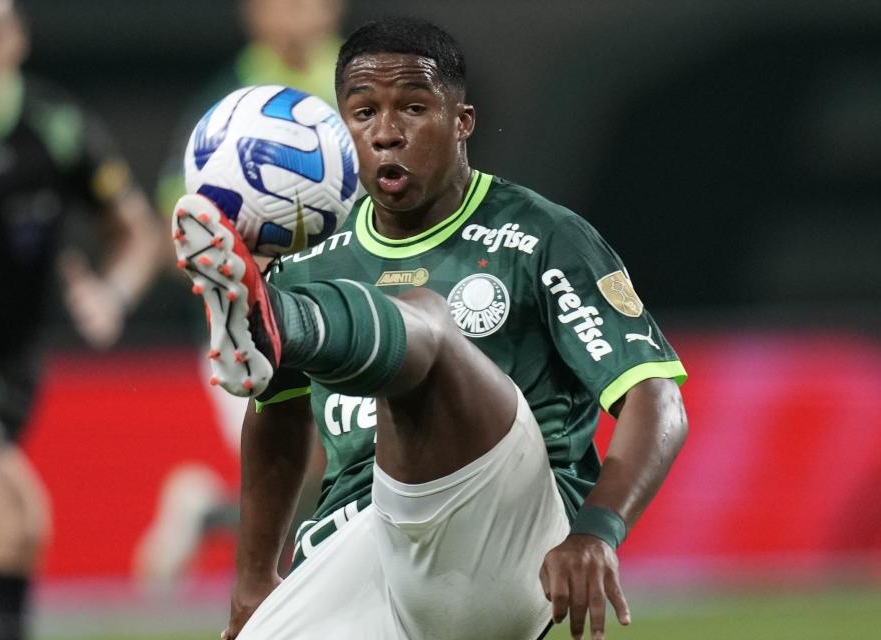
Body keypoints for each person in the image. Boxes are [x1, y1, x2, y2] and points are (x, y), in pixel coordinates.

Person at [173, 16, 688, 640]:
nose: (386, 134)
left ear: (462, 122)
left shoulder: (543, 236)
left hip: (503, 543)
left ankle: (273, 321)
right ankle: (270, 326)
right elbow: (277, 412)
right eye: (363, 115)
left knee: (427, 330)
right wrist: (254, 579)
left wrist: (596, 532)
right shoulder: (316, 258)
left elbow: (655, 397)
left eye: (413, 109)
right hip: (354, 545)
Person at [0, 1, 161, 639]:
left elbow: (136, 234)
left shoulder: (54, 129)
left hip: (7, 379)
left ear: (17, 40)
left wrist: (112, 295)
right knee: (14, 524)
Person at [135, 0, 345, 583]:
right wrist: (230, 271)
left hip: (348, 303)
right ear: (252, 13)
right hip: (252, 317)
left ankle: (212, 516)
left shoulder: (361, 80)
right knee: (318, 462)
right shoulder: (225, 100)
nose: (295, 13)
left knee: (340, 473)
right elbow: (176, 225)